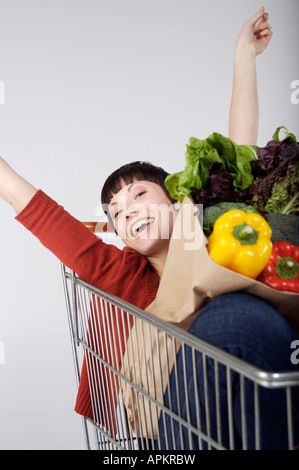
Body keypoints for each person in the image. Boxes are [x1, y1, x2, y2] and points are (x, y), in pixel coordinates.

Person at [1, 9, 298, 449]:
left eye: (139, 195)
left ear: (176, 198)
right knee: (235, 315)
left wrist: (245, 58)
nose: (129, 212)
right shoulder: (118, 276)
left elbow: (241, 152)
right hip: (181, 426)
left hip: (251, 402)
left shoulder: (215, 233)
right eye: (116, 211)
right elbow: (42, 213)